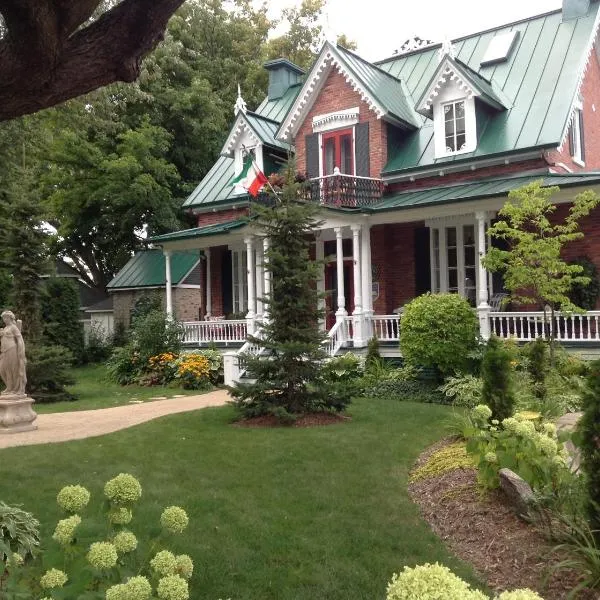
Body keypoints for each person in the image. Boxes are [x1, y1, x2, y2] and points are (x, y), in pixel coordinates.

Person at [0, 310, 27, 395]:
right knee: (3, 369)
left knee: (13, 369)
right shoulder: (5, 328)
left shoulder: (13, 327)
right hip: (4, 351)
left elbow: (19, 338)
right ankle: (9, 387)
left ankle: (16, 388)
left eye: (6, 317)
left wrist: (20, 350)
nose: (4, 319)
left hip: (12, 349)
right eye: (3, 318)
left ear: (11, 318)